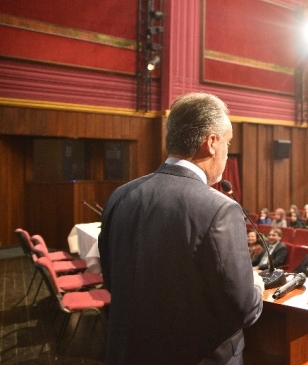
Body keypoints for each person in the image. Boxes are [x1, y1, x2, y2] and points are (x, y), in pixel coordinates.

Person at [98, 92, 264, 365]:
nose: (226, 151)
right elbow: (243, 309)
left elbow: (113, 280)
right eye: (227, 142)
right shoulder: (219, 208)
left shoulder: (121, 195)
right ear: (211, 143)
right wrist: (255, 283)